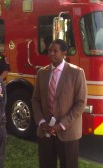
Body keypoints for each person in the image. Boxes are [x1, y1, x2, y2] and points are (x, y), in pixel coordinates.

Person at [31, 39, 87, 168]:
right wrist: (41, 122)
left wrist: (61, 125)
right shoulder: (42, 73)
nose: (51, 53)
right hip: (45, 132)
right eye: (50, 50)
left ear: (64, 53)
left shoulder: (77, 73)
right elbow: (35, 100)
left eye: (55, 51)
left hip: (67, 132)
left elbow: (80, 103)